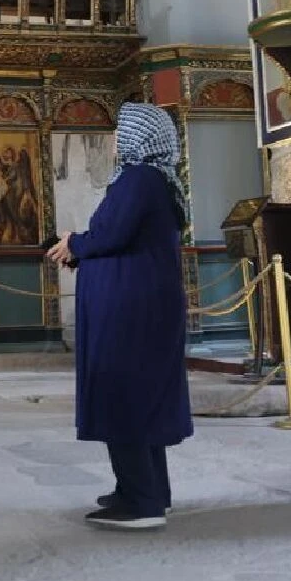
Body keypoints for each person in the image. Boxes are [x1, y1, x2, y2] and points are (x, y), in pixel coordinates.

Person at [47, 102, 193, 530]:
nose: (113, 139)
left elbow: (112, 234)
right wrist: (79, 250)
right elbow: (123, 242)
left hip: (130, 309)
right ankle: (145, 489)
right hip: (140, 301)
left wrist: (76, 241)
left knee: (124, 393)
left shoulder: (139, 179)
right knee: (138, 396)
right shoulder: (153, 180)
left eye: (119, 131)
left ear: (136, 137)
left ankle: (141, 502)